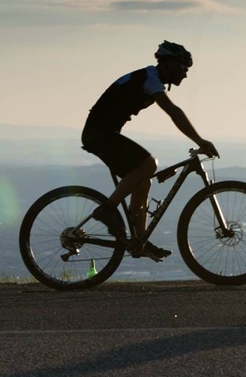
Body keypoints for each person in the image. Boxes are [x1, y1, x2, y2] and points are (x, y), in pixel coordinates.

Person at [81, 41, 218, 261]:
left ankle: (139, 240)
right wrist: (200, 140)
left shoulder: (149, 78)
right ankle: (107, 210)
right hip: (99, 134)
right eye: (183, 67)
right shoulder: (150, 78)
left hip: (101, 134)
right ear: (170, 64)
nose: (185, 74)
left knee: (143, 181)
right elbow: (173, 111)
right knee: (149, 164)